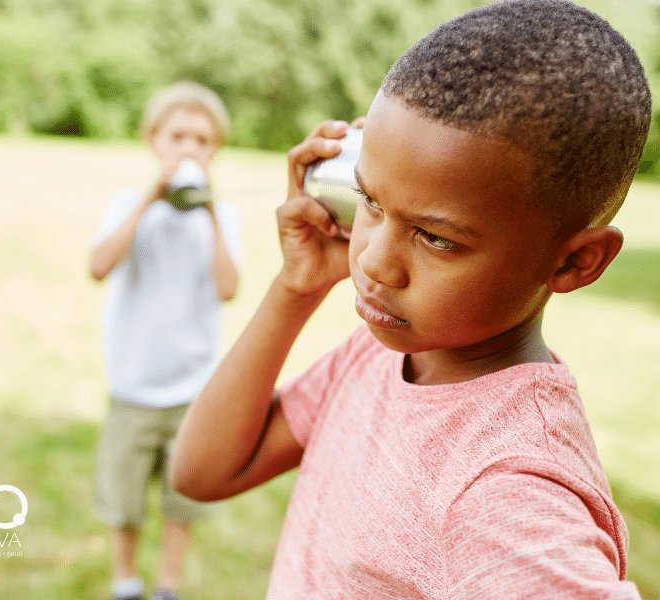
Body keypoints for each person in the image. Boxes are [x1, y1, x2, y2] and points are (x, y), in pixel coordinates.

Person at [169, 1, 651, 597]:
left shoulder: (510, 485)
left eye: (436, 238)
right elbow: (202, 471)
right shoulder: (384, 353)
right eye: (370, 201)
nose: (373, 262)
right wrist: (296, 287)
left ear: (576, 261)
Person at [90, 81, 241, 600]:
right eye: (178, 137)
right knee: (124, 499)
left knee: (183, 499)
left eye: (203, 140)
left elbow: (228, 288)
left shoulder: (222, 217)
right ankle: (125, 580)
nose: (190, 149)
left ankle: (168, 586)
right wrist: (149, 200)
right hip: (134, 385)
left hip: (192, 389)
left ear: (216, 150)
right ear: (152, 139)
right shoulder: (128, 205)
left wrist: (211, 211)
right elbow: (98, 266)